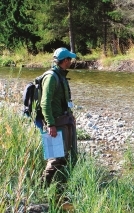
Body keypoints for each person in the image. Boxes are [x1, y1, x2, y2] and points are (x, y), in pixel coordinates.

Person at [41, 47, 77, 185]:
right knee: (55, 157)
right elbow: (45, 103)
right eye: (70, 59)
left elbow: (64, 100)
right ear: (65, 60)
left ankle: (59, 184)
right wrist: (50, 124)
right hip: (55, 123)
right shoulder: (51, 77)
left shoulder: (60, 74)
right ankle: (44, 186)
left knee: (64, 155)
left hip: (63, 120)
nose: (71, 62)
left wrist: (71, 115)